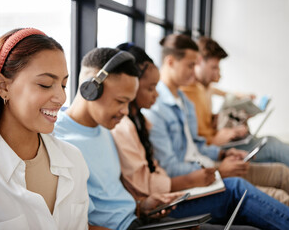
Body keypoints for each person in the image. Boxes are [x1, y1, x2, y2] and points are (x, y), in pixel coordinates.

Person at [112, 44, 289, 218]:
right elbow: (164, 172)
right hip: (197, 176)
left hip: (204, 168)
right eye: (191, 64)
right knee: (268, 186)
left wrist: (222, 153)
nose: (194, 70)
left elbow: (194, 146)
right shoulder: (147, 116)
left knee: (279, 172)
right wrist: (216, 168)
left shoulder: (180, 100)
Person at [0, 28, 89, 229]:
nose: (61, 97)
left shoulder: (74, 160)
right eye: (45, 84)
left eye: (64, 85)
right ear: (3, 86)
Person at [54, 47, 190, 230]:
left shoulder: (106, 130)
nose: (126, 111)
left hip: (138, 219)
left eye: (128, 102)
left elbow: (109, 197)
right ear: (90, 89)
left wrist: (142, 205)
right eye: (120, 101)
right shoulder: (58, 140)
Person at [181, 36, 289, 178]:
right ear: (198, 61)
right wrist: (217, 138)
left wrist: (231, 110)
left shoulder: (204, 87)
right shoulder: (187, 92)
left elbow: (218, 94)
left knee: (273, 153)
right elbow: (193, 143)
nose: (217, 74)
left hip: (220, 141)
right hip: (216, 148)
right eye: (213, 67)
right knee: (272, 146)